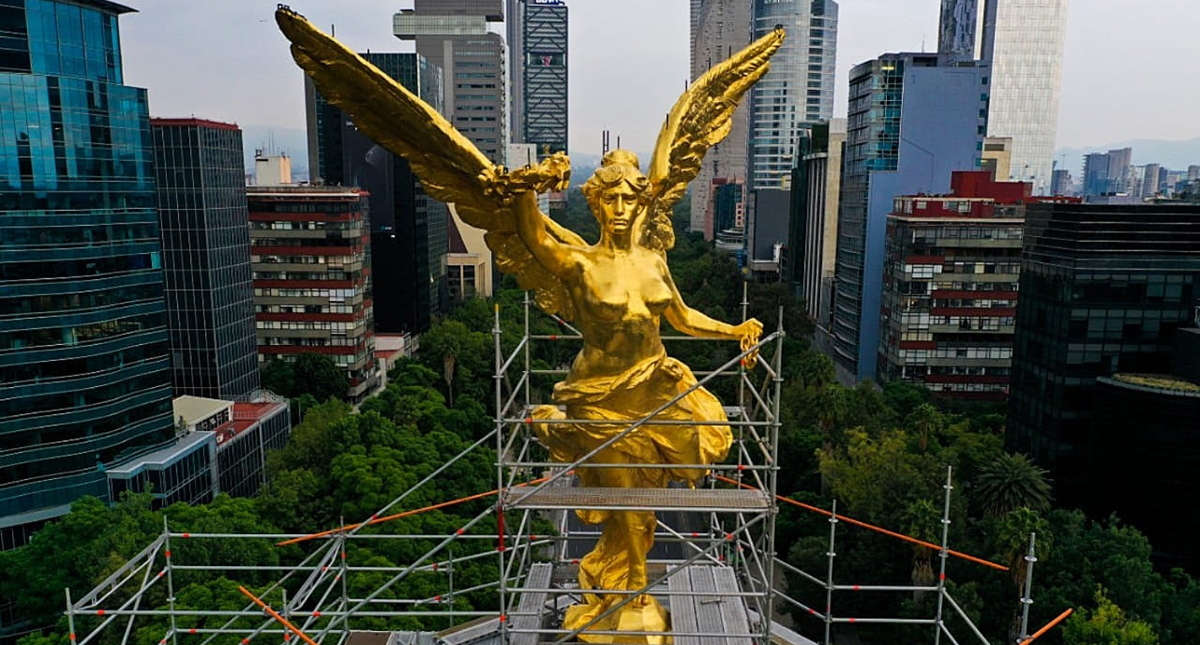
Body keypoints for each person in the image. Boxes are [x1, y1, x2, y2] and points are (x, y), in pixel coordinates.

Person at [508, 149, 762, 640]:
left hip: (655, 388)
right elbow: (532, 234)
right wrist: (527, 187)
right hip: (600, 397)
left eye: (630, 198)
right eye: (612, 199)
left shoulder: (653, 261)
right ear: (597, 205)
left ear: (640, 204)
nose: (622, 207)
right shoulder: (577, 263)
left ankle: (618, 579)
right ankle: (634, 589)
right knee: (626, 495)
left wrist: (735, 330)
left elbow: (683, 319)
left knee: (648, 505)